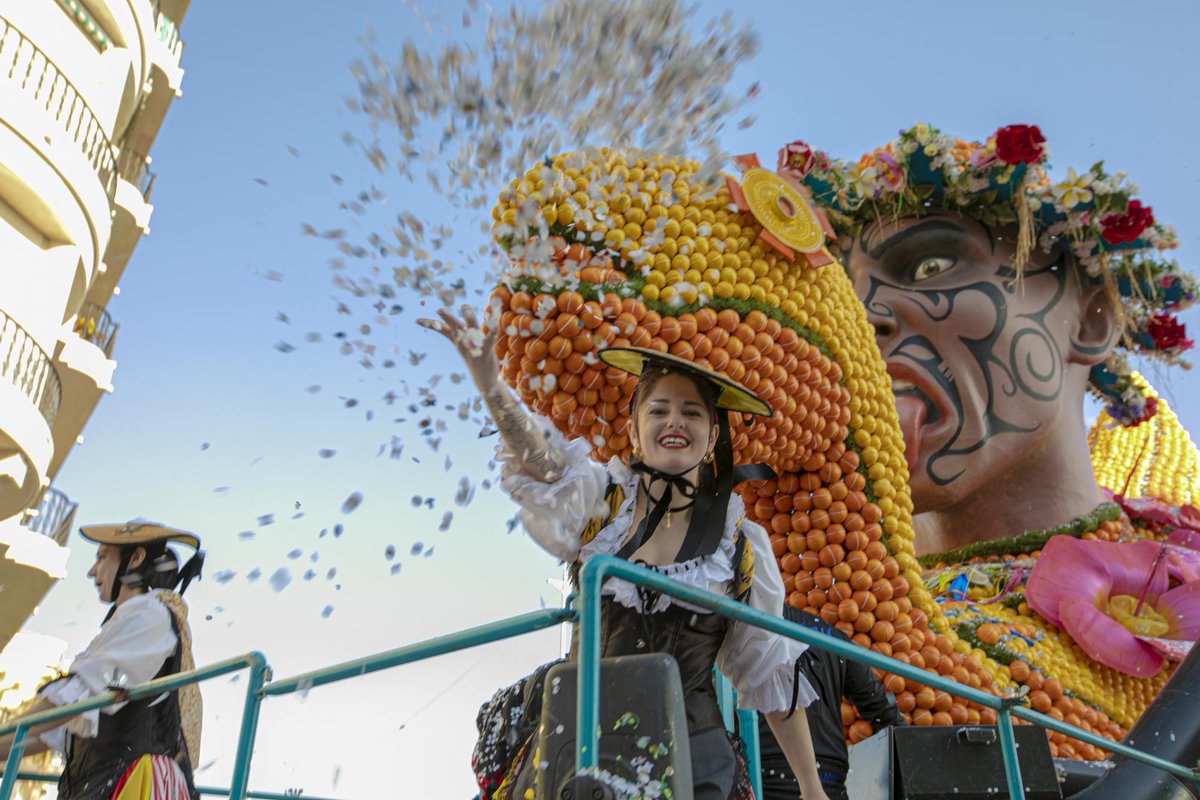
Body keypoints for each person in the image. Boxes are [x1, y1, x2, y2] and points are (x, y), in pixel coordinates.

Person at [779, 123, 1200, 760]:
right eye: (837, 295)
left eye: (930, 265)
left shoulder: (1178, 585)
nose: (858, 317)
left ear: (1087, 320)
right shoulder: (758, 594)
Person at [421, 305, 831, 800]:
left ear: (712, 436)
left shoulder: (742, 548)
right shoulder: (602, 505)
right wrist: (488, 380)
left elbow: (769, 673)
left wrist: (812, 791)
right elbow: (540, 461)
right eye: (658, 410)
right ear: (635, 431)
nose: (674, 422)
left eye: (692, 412)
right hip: (576, 746)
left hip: (690, 760)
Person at [0, 521, 205, 799]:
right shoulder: (131, 623)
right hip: (102, 781)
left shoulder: (150, 614)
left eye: (102, 557)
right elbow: (73, 713)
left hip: (133, 783)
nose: (91, 571)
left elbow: (81, 693)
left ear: (136, 558)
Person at [757, 607, 904, 800]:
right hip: (828, 779)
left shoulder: (744, 629)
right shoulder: (832, 637)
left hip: (764, 777)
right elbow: (882, 710)